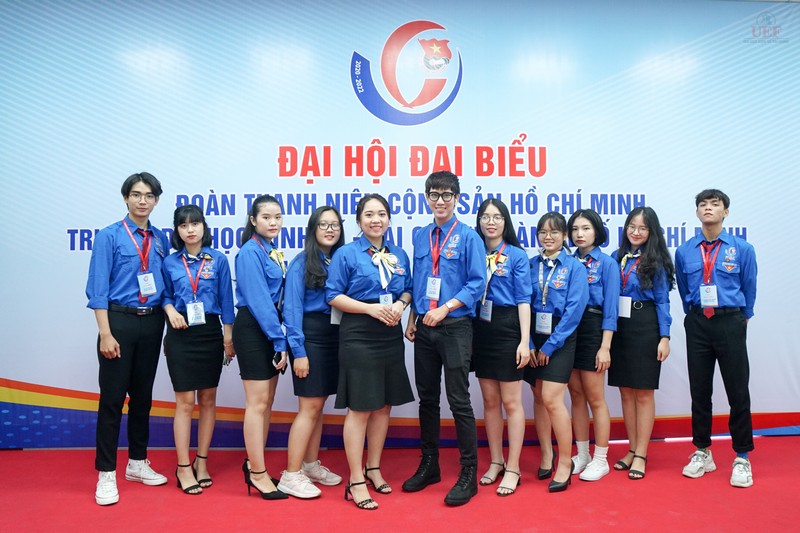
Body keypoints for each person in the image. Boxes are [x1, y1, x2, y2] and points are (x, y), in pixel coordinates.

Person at [86, 172, 170, 506]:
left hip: (152, 322)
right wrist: (105, 333)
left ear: (156, 201)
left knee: (143, 397)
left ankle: (137, 462)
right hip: (118, 322)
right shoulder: (109, 236)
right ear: (125, 198)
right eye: (136, 194)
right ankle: (106, 473)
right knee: (112, 400)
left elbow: (164, 283)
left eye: (148, 196)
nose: (142, 201)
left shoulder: (160, 238)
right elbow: (97, 289)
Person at [326, 194, 415, 510]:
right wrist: (370, 309)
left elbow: (408, 288)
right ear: (359, 220)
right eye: (369, 214)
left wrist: (401, 305)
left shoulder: (399, 253)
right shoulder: (346, 254)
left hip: (389, 333)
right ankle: (355, 480)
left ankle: (373, 467)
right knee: (361, 407)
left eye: (381, 214)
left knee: (383, 405)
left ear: (389, 219)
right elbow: (332, 295)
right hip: (359, 334)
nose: (375, 220)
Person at [403, 171, 485, 507]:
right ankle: (430, 464)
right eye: (434, 195)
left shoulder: (468, 237)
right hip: (424, 327)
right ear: (426, 198)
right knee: (427, 399)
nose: (440, 201)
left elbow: (477, 283)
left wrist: (445, 308)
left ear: (457, 199)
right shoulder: (421, 235)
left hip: (455, 327)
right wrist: (413, 318)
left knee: (458, 400)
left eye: (447, 195)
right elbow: (418, 279)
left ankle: (469, 472)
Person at [675, 190, 757, 488]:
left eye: (715, 204)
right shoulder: (685, 250)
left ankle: (742, 457)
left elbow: (749, 285)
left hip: (730, 321)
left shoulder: (742, 248)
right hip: (698, 322)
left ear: (726, 212)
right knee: (699, 390)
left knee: (738, 390)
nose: (708, 208)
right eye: (703, 205)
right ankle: (702, 451)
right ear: (697, 212)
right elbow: (684, 287)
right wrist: (695, 314)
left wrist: (740, 317)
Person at [161, 205, 235, 495]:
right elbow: (164, 295)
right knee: (184, 402)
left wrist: (228, 338)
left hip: (210, 333)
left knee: (207, 400)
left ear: (204, 227)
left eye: (195, 224)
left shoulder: (218, 260)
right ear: (177, 231)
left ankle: (201, 462)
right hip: (180, 333)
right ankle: (182, 466)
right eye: (183, 225)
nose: (190, 230)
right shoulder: (170, 262)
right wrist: (170, 311)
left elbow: (226, 300)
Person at [278, 206, 346, 499]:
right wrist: (299, 351)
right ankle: (290, 474)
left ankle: (309, 465)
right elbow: (291, 309)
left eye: (335, 225)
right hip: (310, 338)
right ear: (313, 229)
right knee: (309, 408)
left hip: (334, 336)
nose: (330, 230)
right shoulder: (301, 262)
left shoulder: (340, 259)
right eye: (324, 224)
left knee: (318, 407)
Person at [524, 211, 589, 493]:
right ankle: (546, 454)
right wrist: (528, 342)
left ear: (564, 235)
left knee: (552, 398)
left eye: (554, 232)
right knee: (538, 396)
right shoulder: (530, 265)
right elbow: (522, 302)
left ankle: (565, 462)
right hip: (533, 337)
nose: (547, 237)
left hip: (560, 338)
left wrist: (550, 345)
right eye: (543, 232)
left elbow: (574, 311)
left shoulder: (574, 267)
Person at [608, 207, 674, 480]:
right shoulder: (616, 257)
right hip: (619, 327)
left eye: (642, 228)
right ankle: (632, 449)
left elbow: (662, 300)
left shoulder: (655, 260)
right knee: (625, 392)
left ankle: (642, 454)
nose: (636, 232)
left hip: (646, 325)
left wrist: (664, 336)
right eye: (632, 226)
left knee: (644, 393)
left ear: (651, 232)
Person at [472, 199, 532, 496]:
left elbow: (523, 300)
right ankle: (496, 461)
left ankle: (513, 467)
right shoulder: (474, 251)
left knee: (511, 402)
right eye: (485, 217)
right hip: (481, 328)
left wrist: (524, 341)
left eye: (497, 217)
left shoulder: (516, 255)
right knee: (490, 401)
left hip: (509, 328)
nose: (491, 222)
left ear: (505, 222)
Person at [233, 194, 289, 500]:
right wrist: (279, 340)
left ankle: (256, 464)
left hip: (270, 328)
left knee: (267, 402)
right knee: (256, 403)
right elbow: (258, 301)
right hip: (255, 328)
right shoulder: (249, 252)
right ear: (253, 220)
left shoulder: (271, 250)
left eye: (277, 217)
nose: (273, 222)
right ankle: (257, 473)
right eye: (266, 217)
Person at [566, 209, 619, 482]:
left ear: (597, 231)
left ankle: (601, 458)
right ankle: (583, 453)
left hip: (593, 329)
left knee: (595, 398)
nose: (579, 234)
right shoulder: (567, 260)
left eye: (585, 228)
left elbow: (611, 309)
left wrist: (605, 346)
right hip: (569, 329)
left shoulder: (607, 263)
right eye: (575, 229)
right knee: (576, 395)